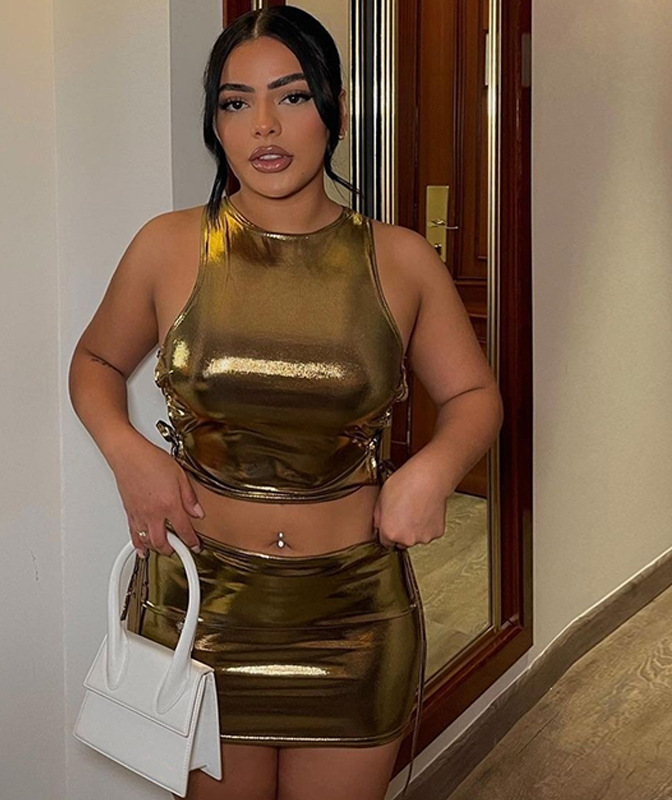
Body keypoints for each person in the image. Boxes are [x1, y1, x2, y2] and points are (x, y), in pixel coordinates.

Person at [68, 7, 502, 800]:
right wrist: (129, 455)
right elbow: (95, 361)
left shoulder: (400, 258)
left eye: (292, 96)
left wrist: (435, 469)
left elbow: (475, 395)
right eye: (236, 102)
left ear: (334, 107)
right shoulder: (168, 246)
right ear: (215, 122)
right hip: (201, 609)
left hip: (354, 617)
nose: (263, 125)